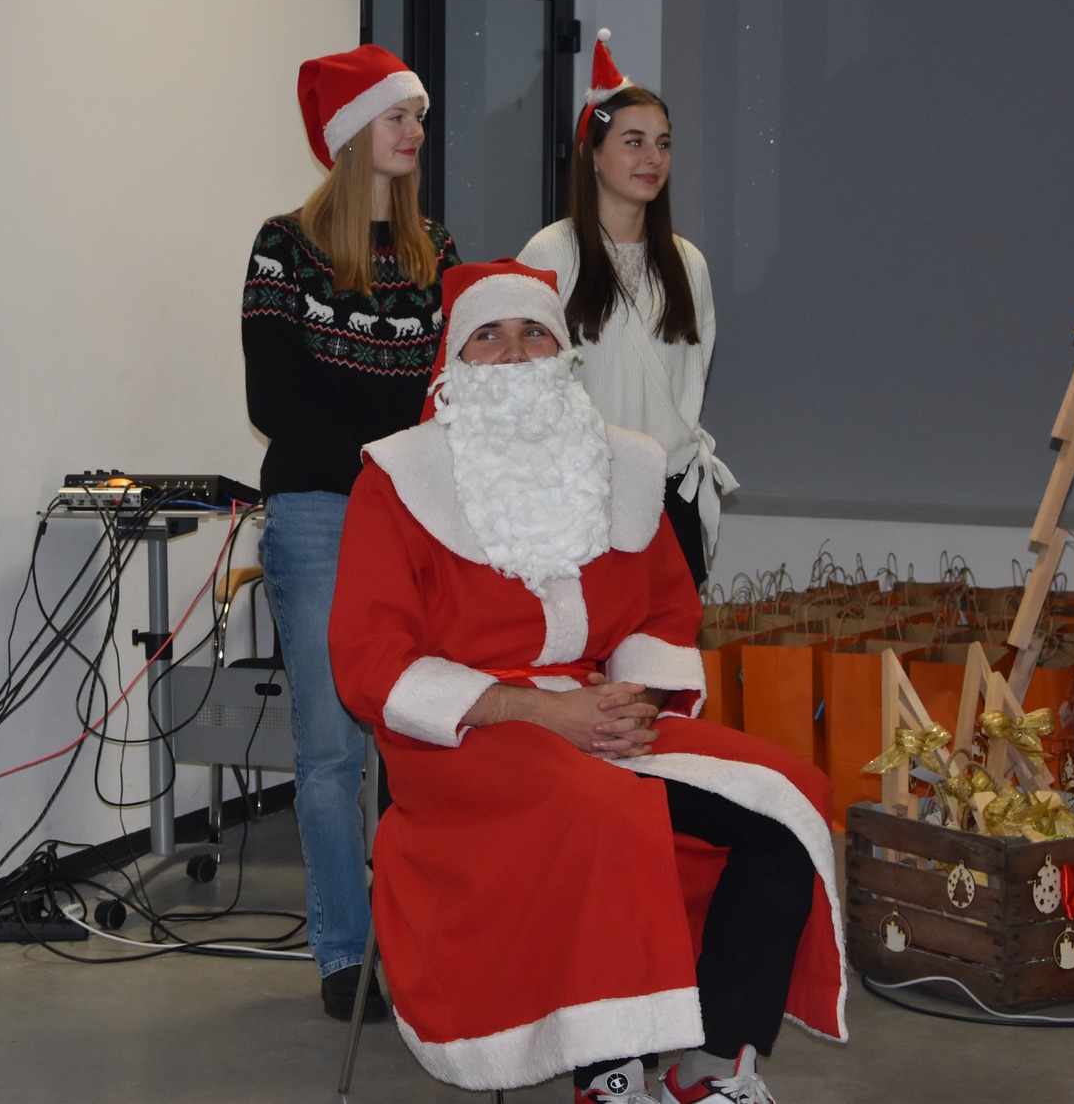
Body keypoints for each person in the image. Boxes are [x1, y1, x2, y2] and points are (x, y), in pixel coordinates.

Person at [329, 259, 844, 1104]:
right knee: (601, 811)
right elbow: (370, 661)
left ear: (565, 351)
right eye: (488, 335)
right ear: (454, 361)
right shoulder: (396, 480)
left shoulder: (624, 465)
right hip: (461, 733)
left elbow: (663, 612)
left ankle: (712, 1066)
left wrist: (630, 702)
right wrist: (540, 711)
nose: (515, 352)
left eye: (535, 331)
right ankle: (609, 1075)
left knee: (787, 798)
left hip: (600, 710)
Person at [240, 44, 459, 1020]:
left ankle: (419, 935)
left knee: (418, 738)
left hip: (415, 519)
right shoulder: (284, 247)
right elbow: (274, 401)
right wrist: (388, 459)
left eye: (418, 116)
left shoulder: (435, 251)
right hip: (320, 516)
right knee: (331, 749)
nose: (415, 131)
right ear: (351, 132)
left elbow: (450, 390)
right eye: (397, 115)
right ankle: (343, 950)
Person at [520, 30, 733, 585]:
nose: (653, 158)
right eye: (634, 142)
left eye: (663, 144)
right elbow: (523, 384)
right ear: (593, 154)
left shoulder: (688, 264)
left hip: (671, 497)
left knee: (669, 642)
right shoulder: (550, 254)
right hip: (580, 498)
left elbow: (694, 374)